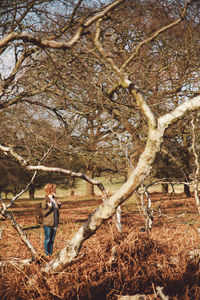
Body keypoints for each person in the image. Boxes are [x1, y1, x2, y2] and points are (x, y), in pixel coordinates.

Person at [42, 183, 61, 258]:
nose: (55, 190)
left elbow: (56, 211)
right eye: (54, 188)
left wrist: (59, 205)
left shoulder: (55, 199)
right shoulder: (45, 200)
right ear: (50, 190)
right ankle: (47, 255)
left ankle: (51, 254)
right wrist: (49, 208)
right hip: (48, 223)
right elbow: (43, 213)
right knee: (48, 239)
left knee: (52, 240)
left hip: (55, 223)